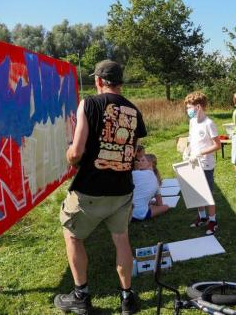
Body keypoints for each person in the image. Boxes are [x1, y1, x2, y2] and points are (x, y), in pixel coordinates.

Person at [54, 60, 147, 315]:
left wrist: (68, 154)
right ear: (119, 82)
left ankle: (80, 296)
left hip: (90, 191)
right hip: (122, 190)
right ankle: (127, 298)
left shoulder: (89, 103)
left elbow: (76, 153)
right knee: (122, 240)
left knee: (72, 235)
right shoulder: (133, 109)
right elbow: (132, 149)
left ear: (98, 81)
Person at [185, 91, 221, 235]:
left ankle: (213, 221)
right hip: (193, 162)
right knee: (197, 192)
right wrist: (187, 150)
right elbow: (191, 138)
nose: (188, 111)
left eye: (189, 107)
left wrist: (201, 153)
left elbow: (217, 145)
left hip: (206, 164)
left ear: (198, 107)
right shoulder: (192, 122)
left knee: (208, 194)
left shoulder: (209, 123)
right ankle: (202, 217)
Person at [131, 153, 169, 221]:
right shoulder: (156, 180)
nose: (139, 162)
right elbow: (160, 204)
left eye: (143, 160)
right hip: (140, 214)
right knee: (166, 207)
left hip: (127, 214)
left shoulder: (134, 174)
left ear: (150, 164)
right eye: (139, 160)